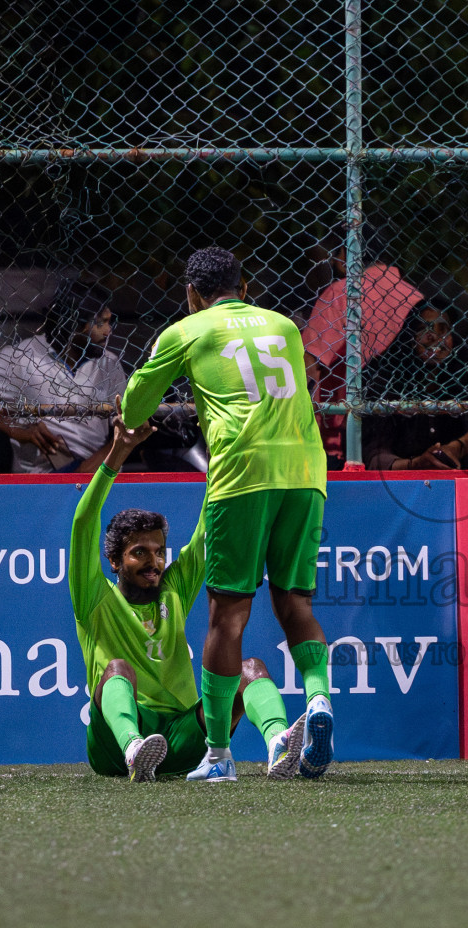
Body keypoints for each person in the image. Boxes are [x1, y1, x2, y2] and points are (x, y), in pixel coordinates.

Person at [120, 247, 334, 782]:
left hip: (242, 476)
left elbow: (134, 405)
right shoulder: (284, 325)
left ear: (191, 293)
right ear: (246, 287)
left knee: (227, 615)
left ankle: (217, 756)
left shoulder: (187, 329)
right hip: (307, 470)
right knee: (295, 601)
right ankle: (321, 700)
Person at [71, 418, 306, 782]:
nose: (154, 562)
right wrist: (118, 452)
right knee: (117, 669)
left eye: (159, 551)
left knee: (251, 669)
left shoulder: (174, 588)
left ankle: (279, 743)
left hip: (181, 739)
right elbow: (84, 522)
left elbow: (207, 529)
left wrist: (219, 465)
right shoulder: (94, 598)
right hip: (112, 750)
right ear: (114, 561)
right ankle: (135, 749)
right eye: (139, 553)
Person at [0, 281, 128, 473]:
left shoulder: (109, 364)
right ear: (73, 323)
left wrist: (87, 470)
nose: (108, 331)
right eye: (100, 323)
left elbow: (128, 427)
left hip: (96, 472)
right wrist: (14, 429)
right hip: (37, 478)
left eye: (109, 322)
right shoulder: (23, 356)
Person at [303, 223, 426, 467]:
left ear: (344, 255)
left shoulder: (342, 293)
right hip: (407, 420)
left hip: (343, 435)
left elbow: (312, 366)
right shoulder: (414, 296)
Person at [362, 302, 468, 471]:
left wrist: (456, 448)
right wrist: (417, 464)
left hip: (460, 472)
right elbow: (374, 454)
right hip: (403, 479)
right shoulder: (385, 379)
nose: (434, 336)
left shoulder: (466, 372)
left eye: (442, 329)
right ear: (410, 338)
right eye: (424, 328)